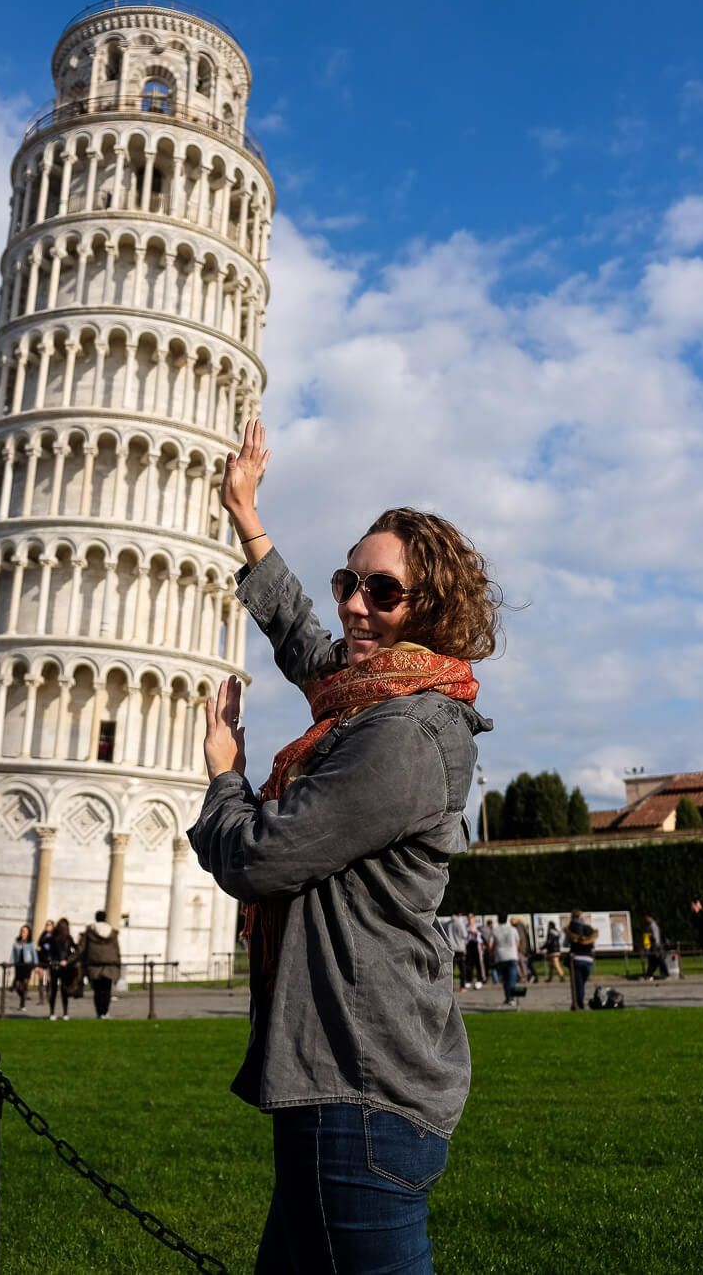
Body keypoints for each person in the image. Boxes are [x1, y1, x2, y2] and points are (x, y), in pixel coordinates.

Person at [188, 420, 500, 1274]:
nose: (356, 604)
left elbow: (258, 857)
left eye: (383, 592)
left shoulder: (402, 733)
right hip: (341, 1075)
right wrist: (247, 518)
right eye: (346, 582)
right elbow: (313, 654)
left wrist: (225, 778)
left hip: (360, 1084)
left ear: (430, 608)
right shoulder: (372, 699)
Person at [77, 911, 122, 1019]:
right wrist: (118, 963)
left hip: (94, 965)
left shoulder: (90, 932)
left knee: (97, 991)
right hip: (109, 965)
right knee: (106, 990)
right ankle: (105, 1012)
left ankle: (99, 1012)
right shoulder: (112, 933)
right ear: (105, 918)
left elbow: (81, 948)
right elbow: (116, 949)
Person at [565, 909, 597, 1009]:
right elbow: (593, 945)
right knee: (582, 982)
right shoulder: (589, 928)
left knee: (578, 983)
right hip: (588, 959)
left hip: (576, 958)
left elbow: (565, 944)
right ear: (580, 917)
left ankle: (578, 1003)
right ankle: (578, 1002)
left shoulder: (570, 929)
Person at [48, 918, 75, 1020]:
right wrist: (67, 960)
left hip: (58, 965)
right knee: (60, 990)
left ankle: (54, 1013)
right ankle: (64, 1013)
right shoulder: (62, 938)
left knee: (57, 990)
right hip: (60, 965)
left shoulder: (56, 937)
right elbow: (74, 950)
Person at [492, 916, 520, 1007]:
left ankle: (508, 997)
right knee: (512, 978)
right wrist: (515, 951)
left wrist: (492, 953)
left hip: (500, 956)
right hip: (512, 955)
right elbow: (518, 942)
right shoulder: (513, 929)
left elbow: (491, 944)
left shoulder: (495, 930)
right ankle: (511, 998)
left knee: (505, 978)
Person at [10, 924, 36, 1012]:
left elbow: (34, 955)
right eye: (22, 931)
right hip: (19, 966)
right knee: (17, 985)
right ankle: (23, 997)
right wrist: (10, 965)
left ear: (28, 933)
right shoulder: (16, 943)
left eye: (25, 931)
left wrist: (36, 966)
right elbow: (13, 955)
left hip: (27, 965)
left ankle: (22, 1004)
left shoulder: (31, 944)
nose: (23, 933)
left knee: (25, 984)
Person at [643, 912, 669, 982]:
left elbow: (655, 936)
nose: (646, 919)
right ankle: (650, 975)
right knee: (655, 960)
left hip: (655, 946)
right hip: (655, 945)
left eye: (646, 918)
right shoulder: (653, 925)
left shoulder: (652, 925)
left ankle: (664, 974)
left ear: (649, 917)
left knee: (657, 960)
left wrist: (655, 944)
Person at [513, 915, 538, 984]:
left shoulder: (519, 926)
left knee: (521, 963)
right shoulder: (522, 926)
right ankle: (530, 976)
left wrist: (519, 949)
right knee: (525, 963)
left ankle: (525, 977)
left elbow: (521, 939)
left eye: (512, 920)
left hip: (521, 949)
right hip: (525, 948)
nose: (511, 922)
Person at [448, 913, 469, 990]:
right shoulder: (460, 923)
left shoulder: (448, 923)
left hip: (451, 948)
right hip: (459, 948)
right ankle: (462, 986)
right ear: (460, 914)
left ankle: (450, 987)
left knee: (451, 969)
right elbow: (465, 935)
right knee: (462, 969)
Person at [464, 913, 485, 989]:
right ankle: (469, 980)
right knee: (469, 964)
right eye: (468, 918)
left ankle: (480, 980)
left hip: (476, 946)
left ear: (474, 919)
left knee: (478, 964)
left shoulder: (478, 926)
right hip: (469, 945)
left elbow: (481, 937)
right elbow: (464, 937)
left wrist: (475, 932)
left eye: (471, 918)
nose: (470, 920)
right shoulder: (466, 926)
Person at [36, 920, 55, 1004]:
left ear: (53, 926)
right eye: (46, 925)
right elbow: (39, 945)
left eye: (49, 925)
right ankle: (41, 999)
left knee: (48, 981)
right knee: (41, 981)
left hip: (50, 962)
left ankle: (48, 997)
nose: (48, 926)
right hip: (42, 962)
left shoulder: (54, 936)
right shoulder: (43, 935)